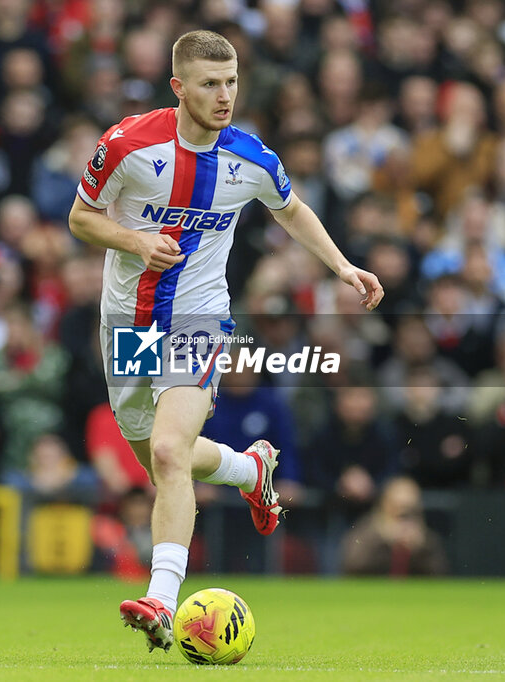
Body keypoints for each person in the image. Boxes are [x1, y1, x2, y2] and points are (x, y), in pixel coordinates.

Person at [67, 30, 383, 653]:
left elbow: (290, 209)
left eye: (232, 81)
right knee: (160, 458)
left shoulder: (252, 157)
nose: (225, 95)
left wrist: (342, 266)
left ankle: (161, 598)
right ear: (179, 87)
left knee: (166, 453)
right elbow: (81, 217)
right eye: (210, 84)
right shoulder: (128, 144)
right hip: (128, 324)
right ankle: (249, 468)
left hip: (199, 320)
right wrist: (135, 241)